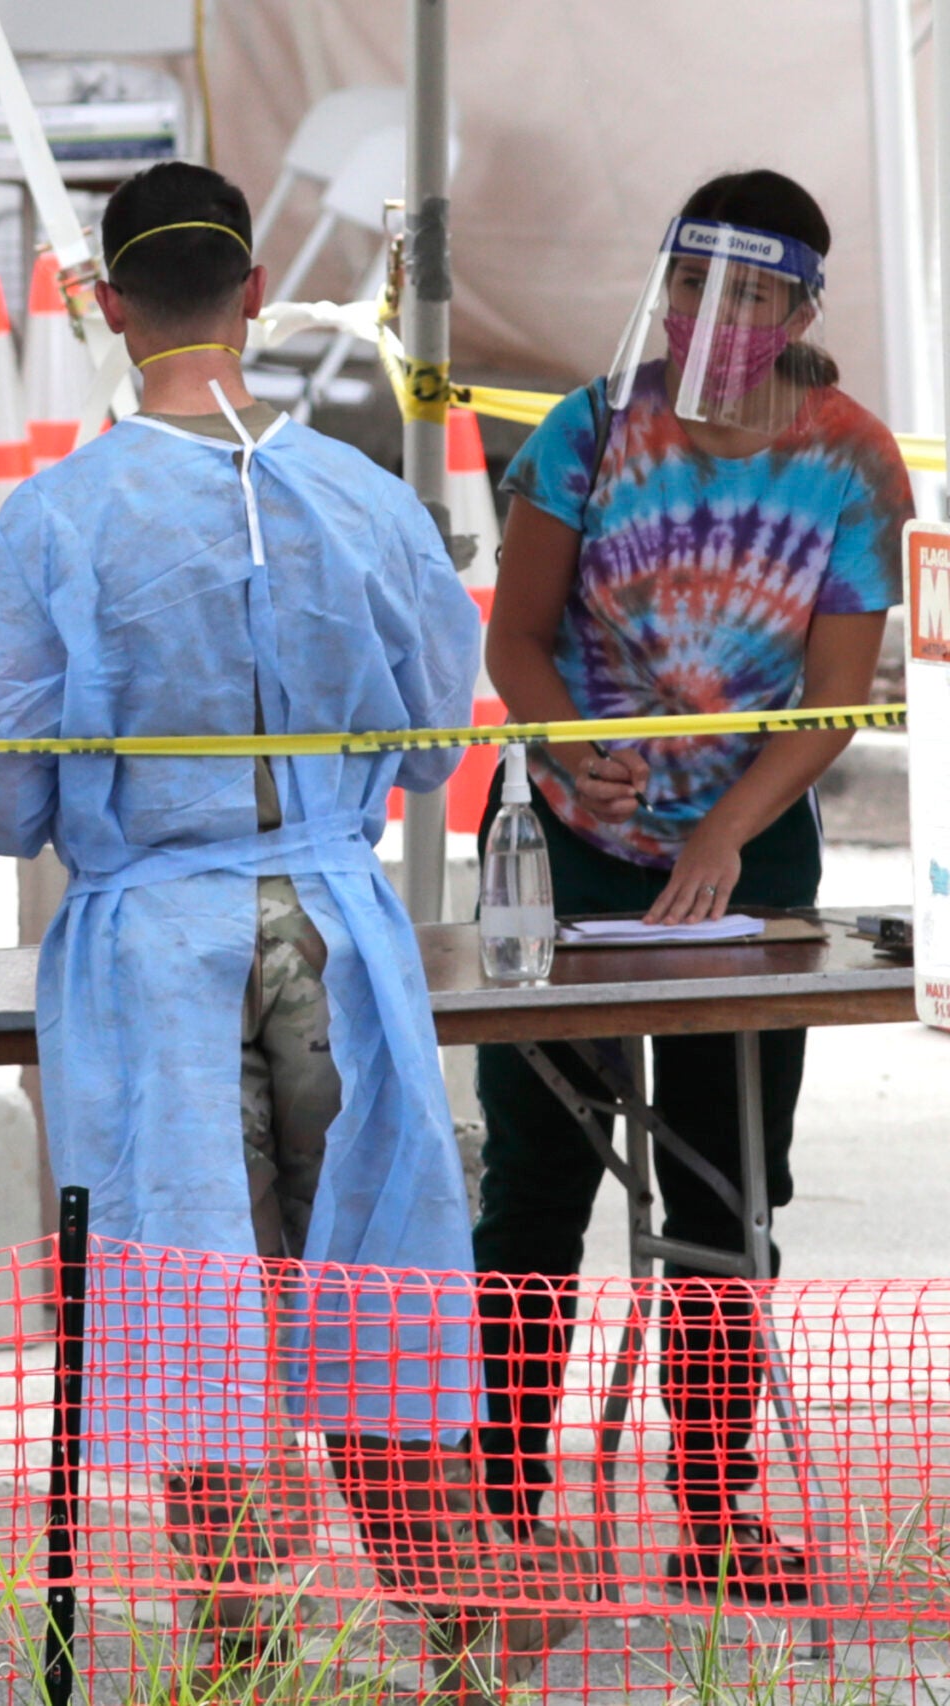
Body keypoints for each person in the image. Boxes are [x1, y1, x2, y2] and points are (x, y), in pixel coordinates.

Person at [0, 162, 579, 1697]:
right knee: (378, 1284)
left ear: (102, 300)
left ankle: (242, 1645)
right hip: (340, 935)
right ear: (255, 291)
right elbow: (435, 747)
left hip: (155, 949)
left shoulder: (56, 520)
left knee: (190, 1298)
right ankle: (459, 1614)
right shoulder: (363, 498)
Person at [473, 169, 911, 1601]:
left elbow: (836, 696)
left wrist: (726, 828)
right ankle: (501, 1501)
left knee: (733, 1183)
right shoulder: (587, 433)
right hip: (572, 836)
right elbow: (519, 640)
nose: (706, 322)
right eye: (683, 288)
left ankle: (712, 1510)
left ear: (800, 308)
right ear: (658, 286)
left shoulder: (850, 461)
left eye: (745, 297)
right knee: (540, 1175)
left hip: (752, 842)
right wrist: (570, 749)